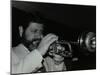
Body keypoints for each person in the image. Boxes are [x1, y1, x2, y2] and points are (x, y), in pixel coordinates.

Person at [11, 9, 58, 74]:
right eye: (34, 31)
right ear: (21, 30)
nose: (40, 36)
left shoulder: (47, 58)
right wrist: (39, 52)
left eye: (41, 32)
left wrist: (58, 63)